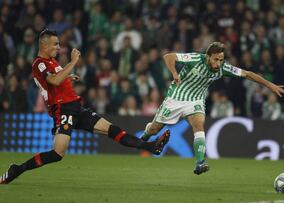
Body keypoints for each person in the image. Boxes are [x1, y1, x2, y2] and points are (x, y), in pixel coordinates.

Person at [0, 29, 170, 184]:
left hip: (76, 108)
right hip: (62, 109)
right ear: (44, 44)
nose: (59, 47)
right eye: (55, 44)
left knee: (111, 129)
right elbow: (54, 80)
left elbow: (58, 78)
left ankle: (151, 146)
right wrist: (73, 63)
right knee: (57, 154)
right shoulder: (40, 63)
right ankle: (17, 169)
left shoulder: (52, 62)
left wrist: (68, 76)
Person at [140, 42, 284, 175]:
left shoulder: (223, 68)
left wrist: (270, 85)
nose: (218, 63)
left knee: (198, 125)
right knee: (154, 130)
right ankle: (144, 138)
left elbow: (247, 74)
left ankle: (200, 163)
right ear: (208, 56)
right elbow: (169, 56)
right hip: (176, 97)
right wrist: (174, 72)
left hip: (195, 101)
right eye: (216, 59)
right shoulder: (195, 58)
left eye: (221, 60)